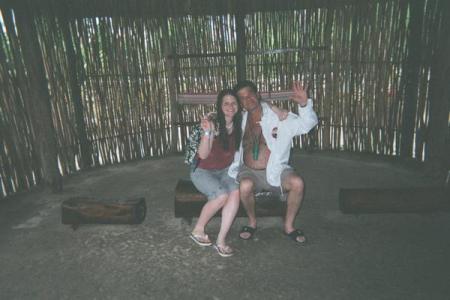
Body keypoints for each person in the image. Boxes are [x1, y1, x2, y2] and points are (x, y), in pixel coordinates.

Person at [228, 80, 318, 244]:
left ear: (258, 94)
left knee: (298, 183)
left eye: (250, 95)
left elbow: (306, 125)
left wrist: (304, 104)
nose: (247, 100)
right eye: (242, 98)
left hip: (277, 169)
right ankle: (252, 222)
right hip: (249, 171)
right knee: (245, 186)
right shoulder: (239, 120)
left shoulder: (278, 116)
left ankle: (289, 226)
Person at [186, 89, 243, 257]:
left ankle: (221, 241)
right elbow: (203, 155)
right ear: (219, 105)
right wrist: (206, 132)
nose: (230, 107)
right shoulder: (213, 123)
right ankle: (198, 229)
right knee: (221, 195)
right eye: (226, 103)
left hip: (225, 169)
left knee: (235, 191)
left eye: (234, 103)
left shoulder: (240, 123)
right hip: (202, 170)